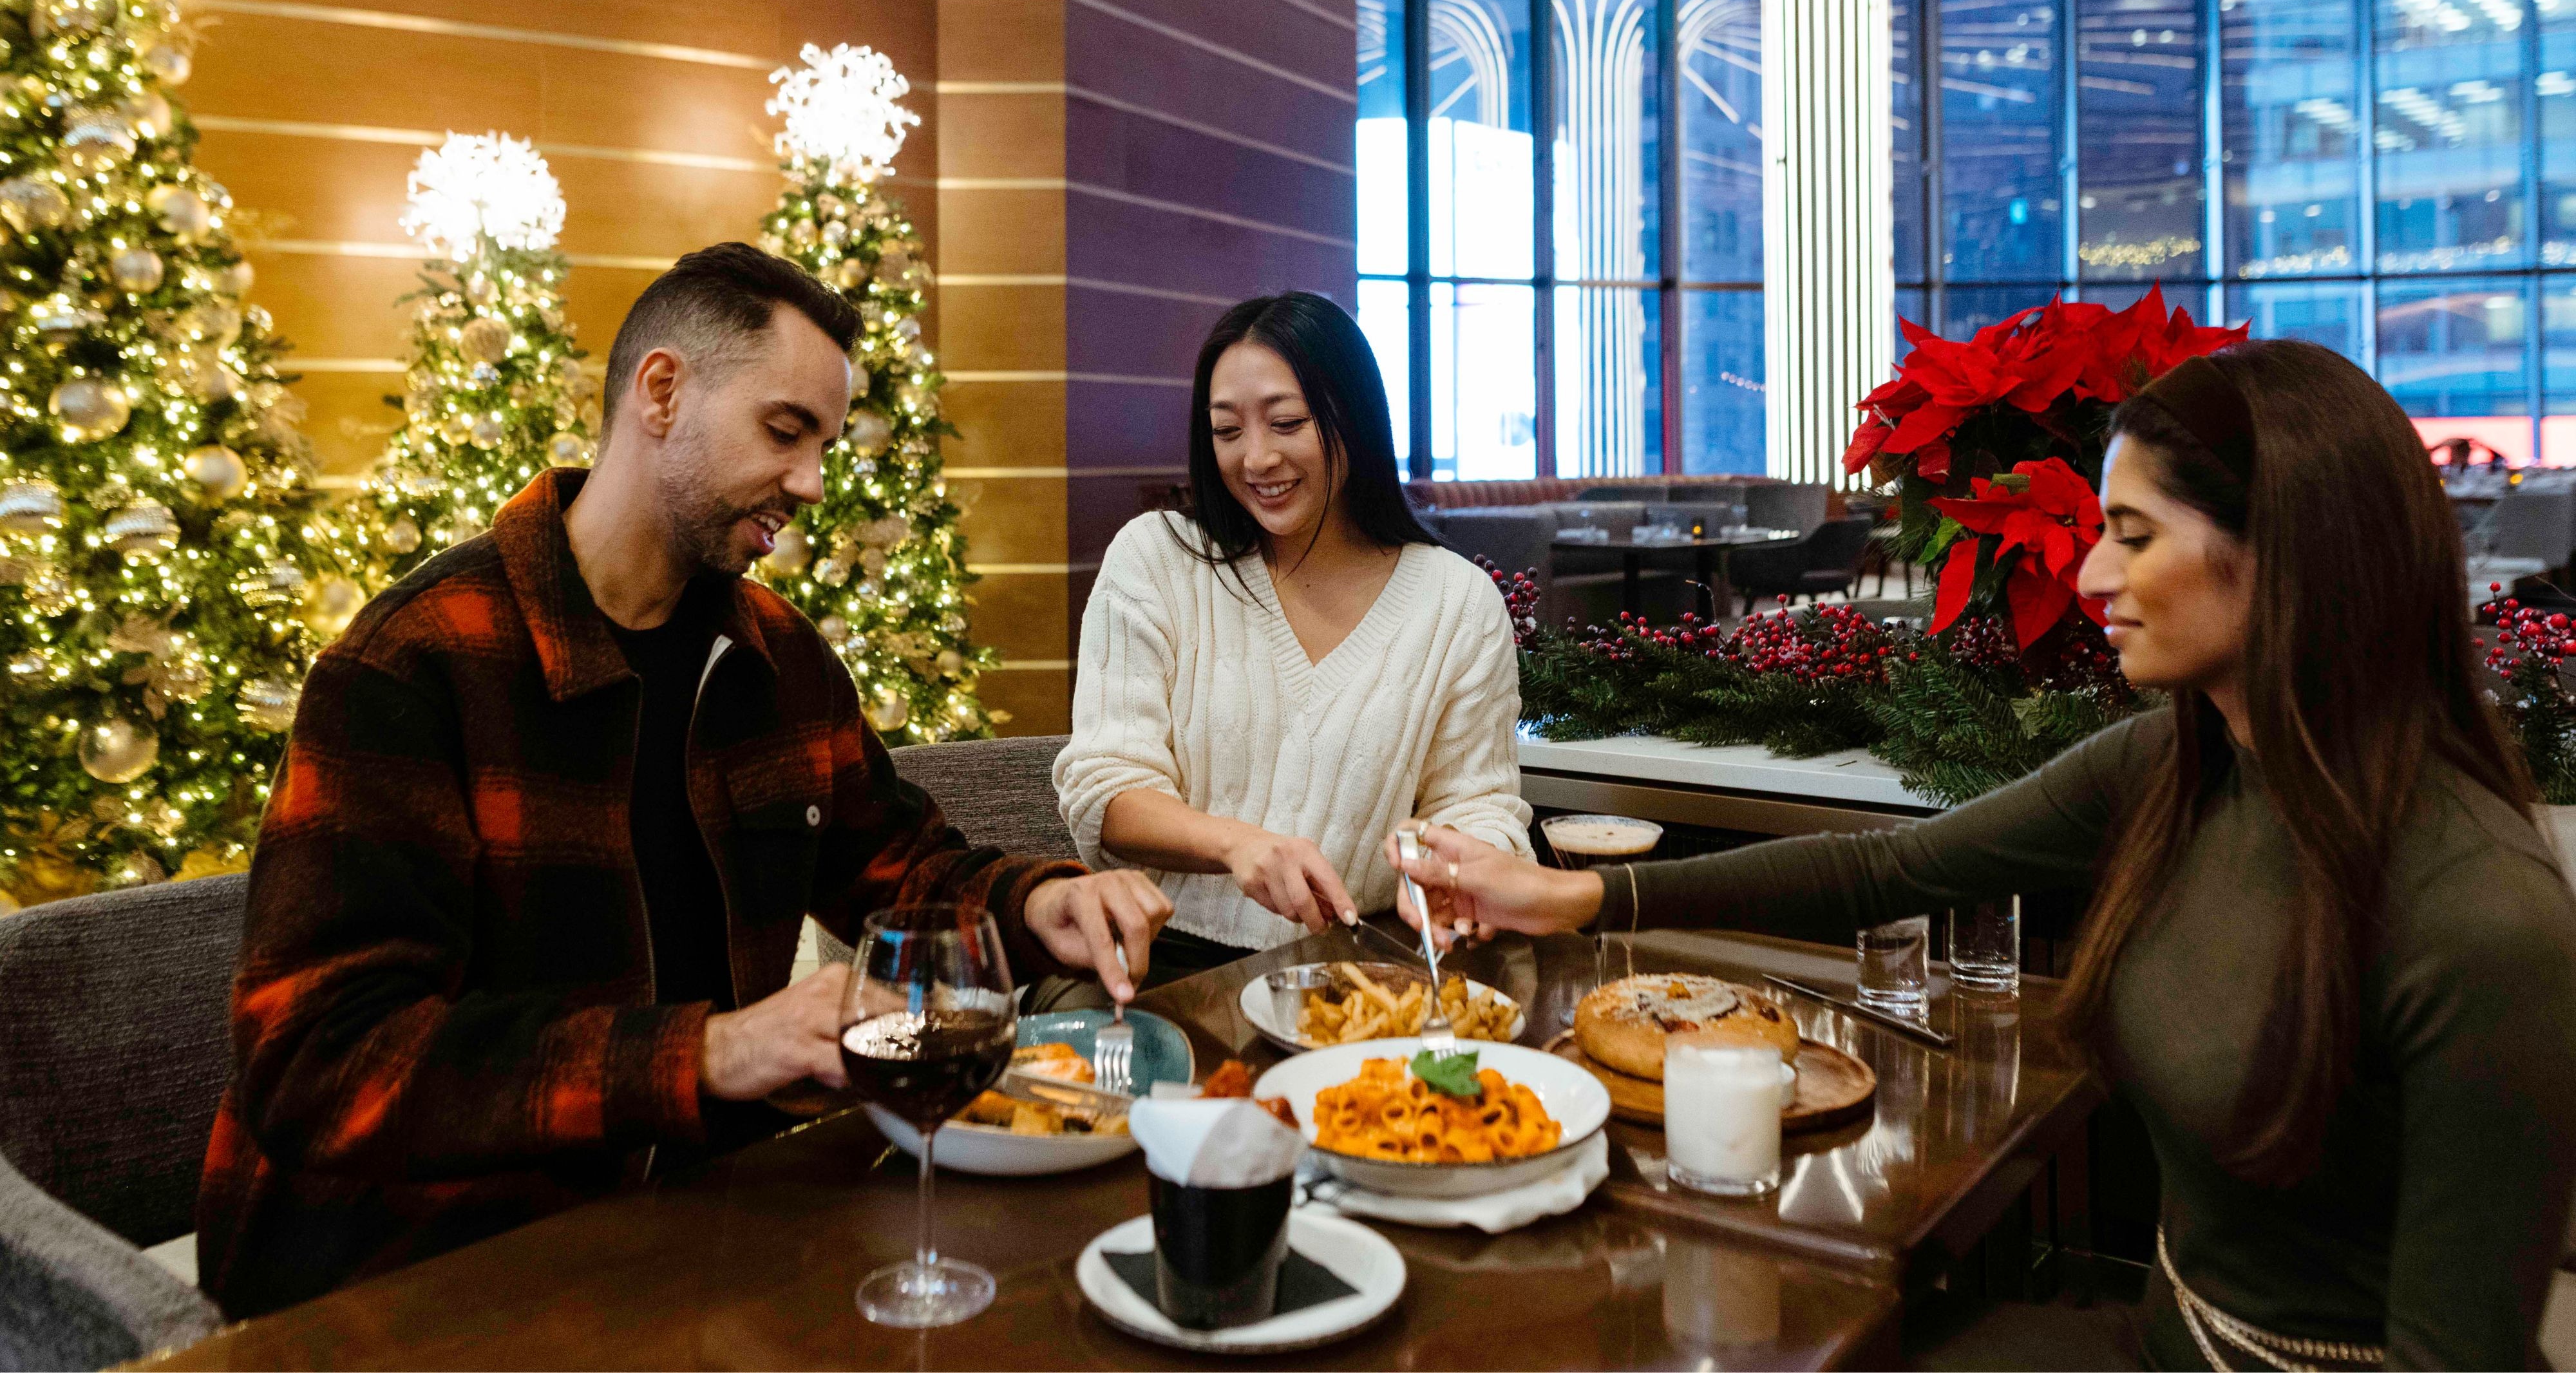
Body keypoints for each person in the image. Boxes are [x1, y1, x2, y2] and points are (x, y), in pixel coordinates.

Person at [1388, 339, 2576, 1370]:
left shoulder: (2479, 918)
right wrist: (1570, 895)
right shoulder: (2181, 763)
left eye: (2134, 534)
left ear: (2289, 552)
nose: (2091, 573)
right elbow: (1884, 873)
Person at [198, 243, 1171, 1318]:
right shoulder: (415, 663)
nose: (811, 483)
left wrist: (1042, 901)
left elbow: (903, 870)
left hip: (696, 1225)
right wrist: (710, 1053)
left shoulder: (777, 656)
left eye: (824, 446)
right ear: (662, 392)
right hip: (420, 1270)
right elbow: (322, 1065)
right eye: (784, 431)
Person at [1054, 291, 1531, 973]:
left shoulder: (1456, 600)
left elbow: (1479, 804)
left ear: (1355, 419)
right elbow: (1104, 787)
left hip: (1365, 964)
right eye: (1226, 433)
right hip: (1165, 964)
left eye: (1286, 423)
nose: (1256, 459)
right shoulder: (1157, 559)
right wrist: (1238, 845)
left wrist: (1452, 870)